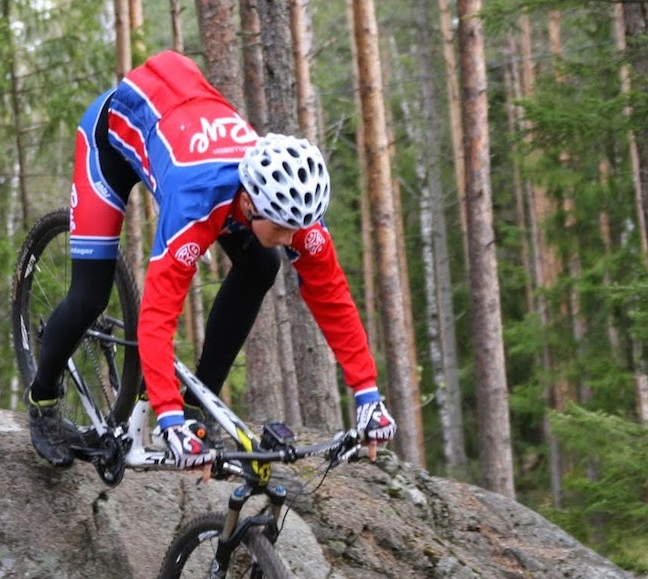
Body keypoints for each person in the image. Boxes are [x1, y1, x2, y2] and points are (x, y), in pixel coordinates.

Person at [26, 50, 396, 468]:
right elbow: (158, 314)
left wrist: (368, 393)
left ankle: (198, 404)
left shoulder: (289, 203)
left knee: (263, 263)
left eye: (298, 226)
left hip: (182, 123)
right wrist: (167, 420)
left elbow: (331, 295)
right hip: (110, 142)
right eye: (282, 227)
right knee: (90, 295)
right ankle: (43, 399)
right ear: (251, 204)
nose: (293, 238)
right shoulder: (195, 202)